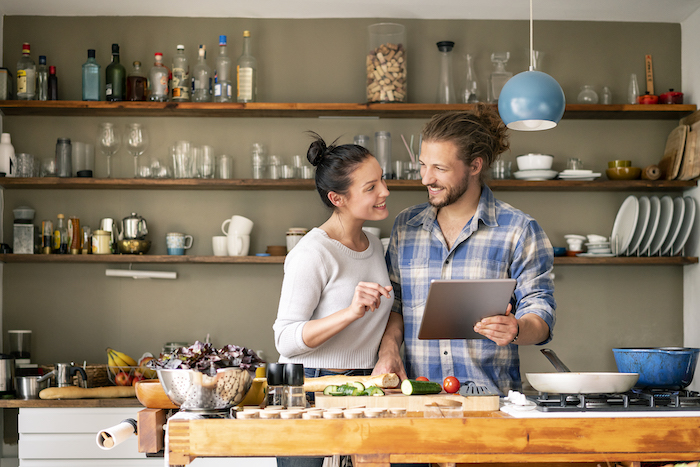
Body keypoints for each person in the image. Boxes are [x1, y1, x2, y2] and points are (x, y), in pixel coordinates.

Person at [374, 105, 556, 396]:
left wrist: (517, 328)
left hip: (490, 403)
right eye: (423, 164)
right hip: (419, 398)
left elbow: (541, 312)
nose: (425, 178)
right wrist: (388, 350)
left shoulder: (519, 230)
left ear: (474, 166)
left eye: (440, 169)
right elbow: (394, 305)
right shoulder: (406, 226)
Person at [273, 133, 394, 467]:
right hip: (307, 390)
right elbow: (284, 338)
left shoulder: (374, 244)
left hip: (365, 386)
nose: (384, 191)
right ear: (337, 198)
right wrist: (350, 312)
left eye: (382, 179)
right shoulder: (312, 253)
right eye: (370, 187)